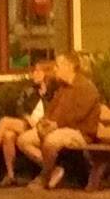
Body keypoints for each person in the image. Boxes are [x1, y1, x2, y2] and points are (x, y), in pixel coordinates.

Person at [17, 52, 100, 189]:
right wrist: (43, 122)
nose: (54, 69)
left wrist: (55, 125)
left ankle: (44, 176)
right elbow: (50, 110)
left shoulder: (86, 88)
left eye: (57, 66)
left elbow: (77, 116)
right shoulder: (63, 88)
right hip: (58, 129)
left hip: (79, 132)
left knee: (51, 141)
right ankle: (53, 169)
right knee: (24, 140)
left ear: (70, 66)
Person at [0, 61, 56, 185]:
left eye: (37, 71)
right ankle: (11, 174)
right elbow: (19, 106)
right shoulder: (30, 90)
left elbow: (53, 111)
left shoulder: (53, 92)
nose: (33, 74)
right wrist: (27, 117)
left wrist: (44, 97)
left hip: (42, 127)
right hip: (28, 123)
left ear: (46, 74)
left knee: (5, 121)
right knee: (8, 135)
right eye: (34, 71)